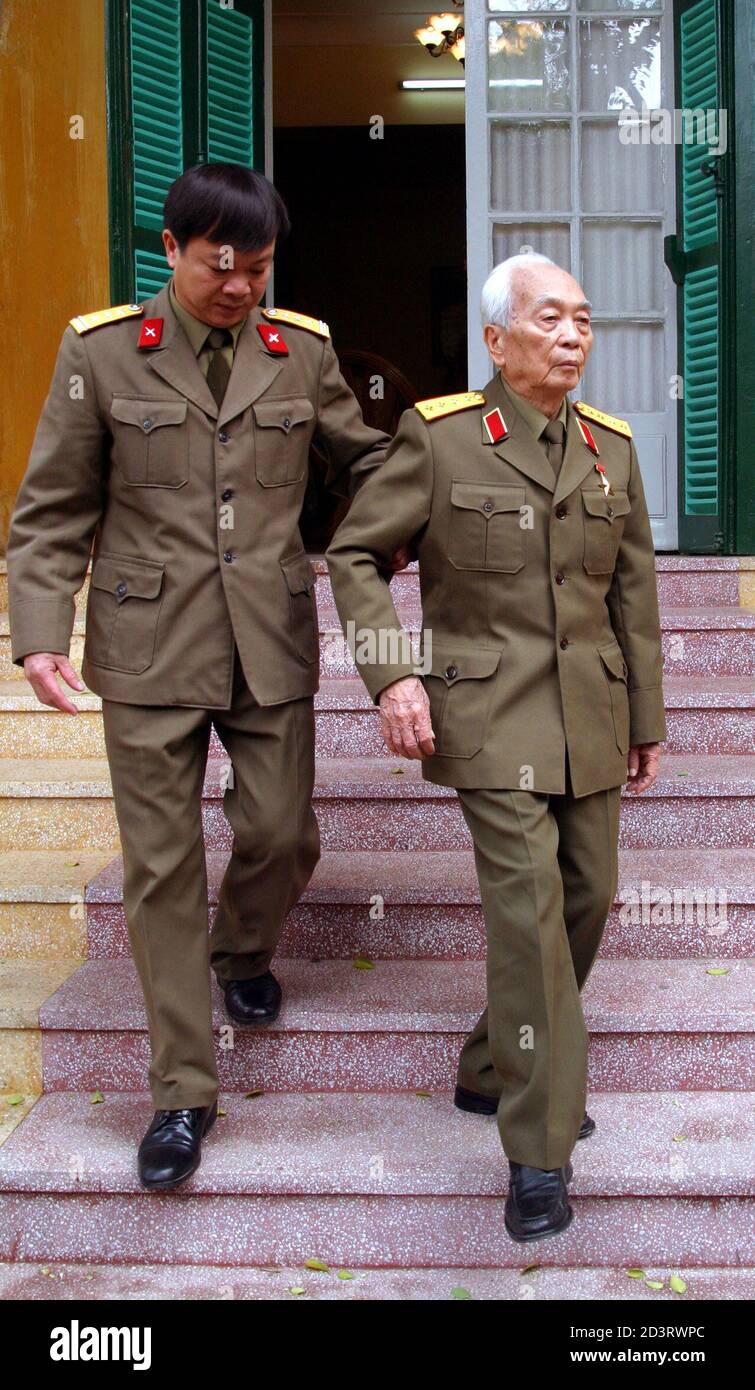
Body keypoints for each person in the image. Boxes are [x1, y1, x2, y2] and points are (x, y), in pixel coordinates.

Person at [7, 161, 407, 1191]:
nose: (240, 288)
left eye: (259, 269)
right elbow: (51, 508)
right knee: (161, 869)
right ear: (175, 251)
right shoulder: (102, 353)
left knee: (281, 830)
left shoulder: (300, 352)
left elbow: (361, 461)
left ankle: (240, 952)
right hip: (147, 648)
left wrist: (394, 522)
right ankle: (182, 1093)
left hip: (267, 635)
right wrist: (40, 630)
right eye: (221, 267)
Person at [325, 252, 666, 1242]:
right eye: (548, 318)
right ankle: (537, 1150)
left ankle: (489, 1064)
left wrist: (643, 715)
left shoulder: (609, 448)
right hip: (484, 721)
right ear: (494, 339)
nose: (571, 336)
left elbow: (630, 597)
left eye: (582, 320)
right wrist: (392, 674)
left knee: (586, 896)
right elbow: (352, 554)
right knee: (524, 918)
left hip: (587, 718)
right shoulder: (438, 441)